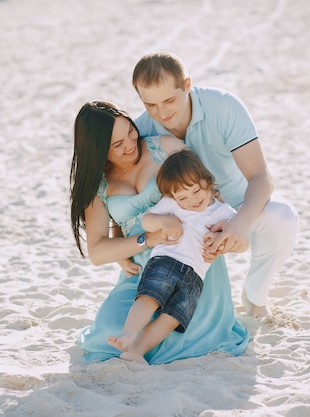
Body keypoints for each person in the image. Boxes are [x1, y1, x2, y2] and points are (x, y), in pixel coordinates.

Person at [70, 101, 249, 365]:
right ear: (97, 151)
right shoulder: (98, 185)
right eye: (117, 145)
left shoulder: (164, 147)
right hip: (143, 269)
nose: (130, 145)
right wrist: (142, 240)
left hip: (191, 259)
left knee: (178, 330)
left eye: (130, 132)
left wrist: (227, 231)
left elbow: (207, 190)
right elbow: (97, 252)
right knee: (110, 333)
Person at [131, 51, 300, 318]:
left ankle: (255, 298)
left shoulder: (223, 105)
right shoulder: (141, 129)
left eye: (170, 100)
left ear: (187, 85)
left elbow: (261, 176)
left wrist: (240, 223)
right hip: (183, 222)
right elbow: (120, 193)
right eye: (150, 104)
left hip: (237, 205)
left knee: (282, 217)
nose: (160, 113)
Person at [108, 149, 238, 364]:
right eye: (183, 197)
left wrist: (222, 237)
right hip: (167, 261)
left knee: (171, 319)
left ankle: (136, 351)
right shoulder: (172, 204)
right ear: (174, 196)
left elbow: (239, 237)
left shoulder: (224, 211)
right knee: (149, 297)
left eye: (196, 191)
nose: (192, 200)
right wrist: (165, 221)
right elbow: (147, 221)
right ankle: (128, 334)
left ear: (207, 180)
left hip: (195, 277)